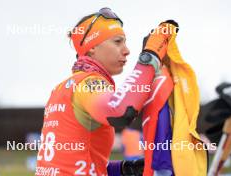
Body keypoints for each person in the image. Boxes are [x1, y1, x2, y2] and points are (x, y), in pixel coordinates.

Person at [35, 7, 178, 176]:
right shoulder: (88, 83)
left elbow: (69, 162)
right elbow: (119, 111)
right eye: (118, 42)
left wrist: (123, 170)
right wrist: (150, 57)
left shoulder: (62, 87)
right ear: (92, 47)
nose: (127, 50)